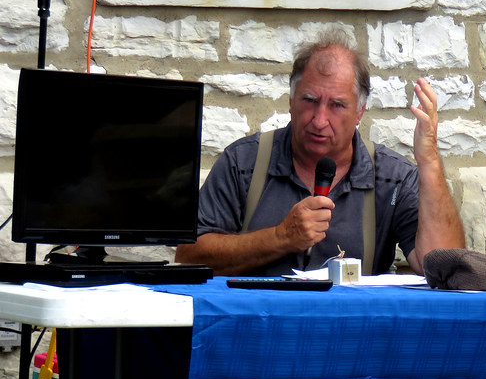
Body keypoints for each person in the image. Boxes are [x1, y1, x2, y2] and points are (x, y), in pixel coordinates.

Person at [176, 30, 465, 276]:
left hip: (353, 334)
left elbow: (445, 268)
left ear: (359, 112)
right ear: (291, 101)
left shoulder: (393, 178)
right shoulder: (243, 164)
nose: (319, 120)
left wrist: (429, 161)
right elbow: (189, 255)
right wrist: (279, 238)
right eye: (310, 100)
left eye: (337, 105)